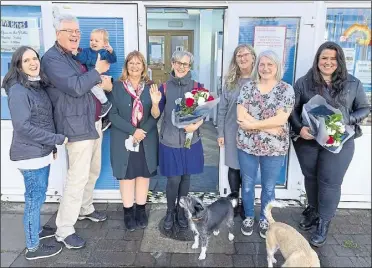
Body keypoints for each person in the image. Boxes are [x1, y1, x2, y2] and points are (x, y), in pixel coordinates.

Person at [41, 13, 112, 249]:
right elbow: (76, 86)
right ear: (57, 34)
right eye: (69, 31)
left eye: (77, 31)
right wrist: (98, 71)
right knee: (77, 177)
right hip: (75, 125)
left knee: (93, 169)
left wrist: (100, 75)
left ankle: (85, 208)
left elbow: (89, 82)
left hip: (93, 122)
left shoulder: (74, 56)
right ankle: (64, 229)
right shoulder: (52, 59)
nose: (74, 35)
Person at [289, 41, 370, 247]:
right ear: (317, 60)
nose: (328, 62)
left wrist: (346, 120)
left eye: (333, 58)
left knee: (329, 182)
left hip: (339, 141)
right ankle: (314, 210)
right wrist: (300, 129)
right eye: (324, 58)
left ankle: (324, 222)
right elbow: (292, 111)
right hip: (309, 141)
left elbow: (364, 109)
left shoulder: (353, 83)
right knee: (311, 178)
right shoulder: (303, 83)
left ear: (339, 60)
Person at [2, 46, 68, 260]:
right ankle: (32, 248)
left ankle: (36, 231)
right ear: (18, 66)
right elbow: (23, 127)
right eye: (26, 60)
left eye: (35, 58)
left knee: (37, 197)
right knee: (33, 200)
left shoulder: (35, 85)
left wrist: (52, 147)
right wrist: (56, 139)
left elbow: (44, 120)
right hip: (30, 156)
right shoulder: (19, 91)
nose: (33, 63)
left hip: (40, 152)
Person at [236, 50, 295, 239]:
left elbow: (281, 119)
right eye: (262, 64)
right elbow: (240, 115)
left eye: (270, 64)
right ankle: (249, 217)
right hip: (247, 145)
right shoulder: (248, 87)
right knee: (247, 184)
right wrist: (268, 128)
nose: (266, 68)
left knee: (269, 186)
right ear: (257, 67)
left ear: (277, 67)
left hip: (274, 149)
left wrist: (253, 125)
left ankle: (265, 219)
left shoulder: (286, 89)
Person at [107, 51, 161, 231]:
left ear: (144, 66)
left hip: (146, 139)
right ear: (126, 66)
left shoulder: (152, 87)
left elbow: (156, 115)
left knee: (143, 175)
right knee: (127, 176)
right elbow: (112, 115)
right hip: (124, 139)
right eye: (131, 63)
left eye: (139, 63)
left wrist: (154, 105)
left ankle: (141, 210)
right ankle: (128, 212)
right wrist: (133, 131)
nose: (135, 66)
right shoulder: (116, 87)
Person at [158, 50, 205, 231]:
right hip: (169, 140)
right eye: (178, 62)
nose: (181, 66)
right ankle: (170, 211)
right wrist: (155, 103)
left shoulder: (198, 87)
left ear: (189, 66)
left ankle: (181, 210)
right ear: (172, 63)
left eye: (185, 64)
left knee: (185, 178)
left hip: (189, 140)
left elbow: (203, 113)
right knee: (173, 179)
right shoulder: (164, 87)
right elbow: (156, 114)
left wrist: (195, 126)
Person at [217, 44, 256, 218]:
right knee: (233, 167)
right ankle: (235, 202)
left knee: (248, 169)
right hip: (232, 130)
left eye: (245, 54)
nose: (242, 58)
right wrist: (220, 133)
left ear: (253, 57)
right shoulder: (230, 81)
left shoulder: (260, 80)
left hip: (254, 132)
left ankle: (248, 205)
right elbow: (222, 109)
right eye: (238, 55)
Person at [72, 28, 117, 131]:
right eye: (91, 40)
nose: (93, 42)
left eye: (97, 41)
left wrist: (111, 51)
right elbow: (81, 59)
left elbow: (113, 60)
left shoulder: (104, 52)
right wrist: (75, 54)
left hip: (103, 77)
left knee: (93, 88)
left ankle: (106, 103)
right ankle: (106, 118)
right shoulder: (87, 51)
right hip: (93, 77)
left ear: (104, 43)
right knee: (93, 91)